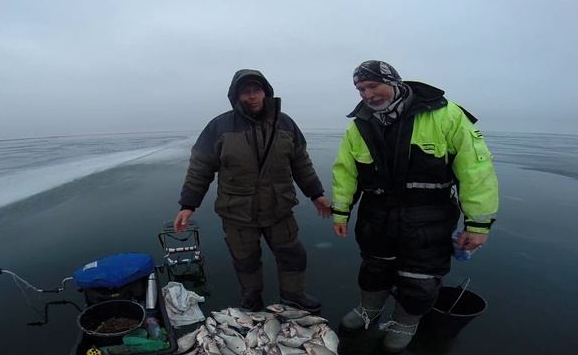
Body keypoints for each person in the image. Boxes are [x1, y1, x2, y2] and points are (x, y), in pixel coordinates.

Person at [331, 60, 499, 352]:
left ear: (394, 82)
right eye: (360, 89)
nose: (367, 95)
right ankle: (369, 310)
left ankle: (405, 322)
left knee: (419, 277)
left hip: (429, 216)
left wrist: (478, 224)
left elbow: (476, 170)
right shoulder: (359, 125)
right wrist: (341, 210)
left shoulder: (445, 114)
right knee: (374, 267)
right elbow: (345, 171)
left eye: (373, 86)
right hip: (377, 213)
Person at [174, 69, 331, 313]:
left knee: (292, 255)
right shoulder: (219, 127)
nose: (251, 97)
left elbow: (301, 163)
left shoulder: (285, 123)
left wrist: (316, 194)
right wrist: (188, 205)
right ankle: (251, 296)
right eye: (245, 92)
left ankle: (293, 294)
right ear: (236, 96)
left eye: (256, 90)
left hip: (279, 208)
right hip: (237, 212)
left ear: (265, 92)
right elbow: (200, 169)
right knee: (245, 259)